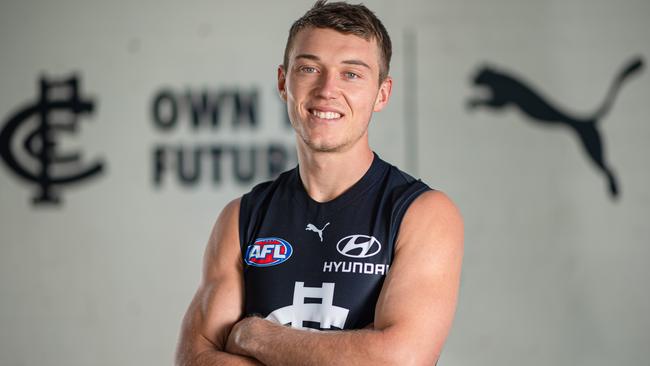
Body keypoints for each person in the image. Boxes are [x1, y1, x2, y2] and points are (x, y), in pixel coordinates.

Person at [175, 1, 463, 365]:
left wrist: (256, 335)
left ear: (382, 93)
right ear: (284, 82)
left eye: (352, 74)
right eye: (309, 68)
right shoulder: (241, 218)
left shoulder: (422, 214)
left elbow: (400, 359)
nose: (327, 89)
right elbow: (194, 358)